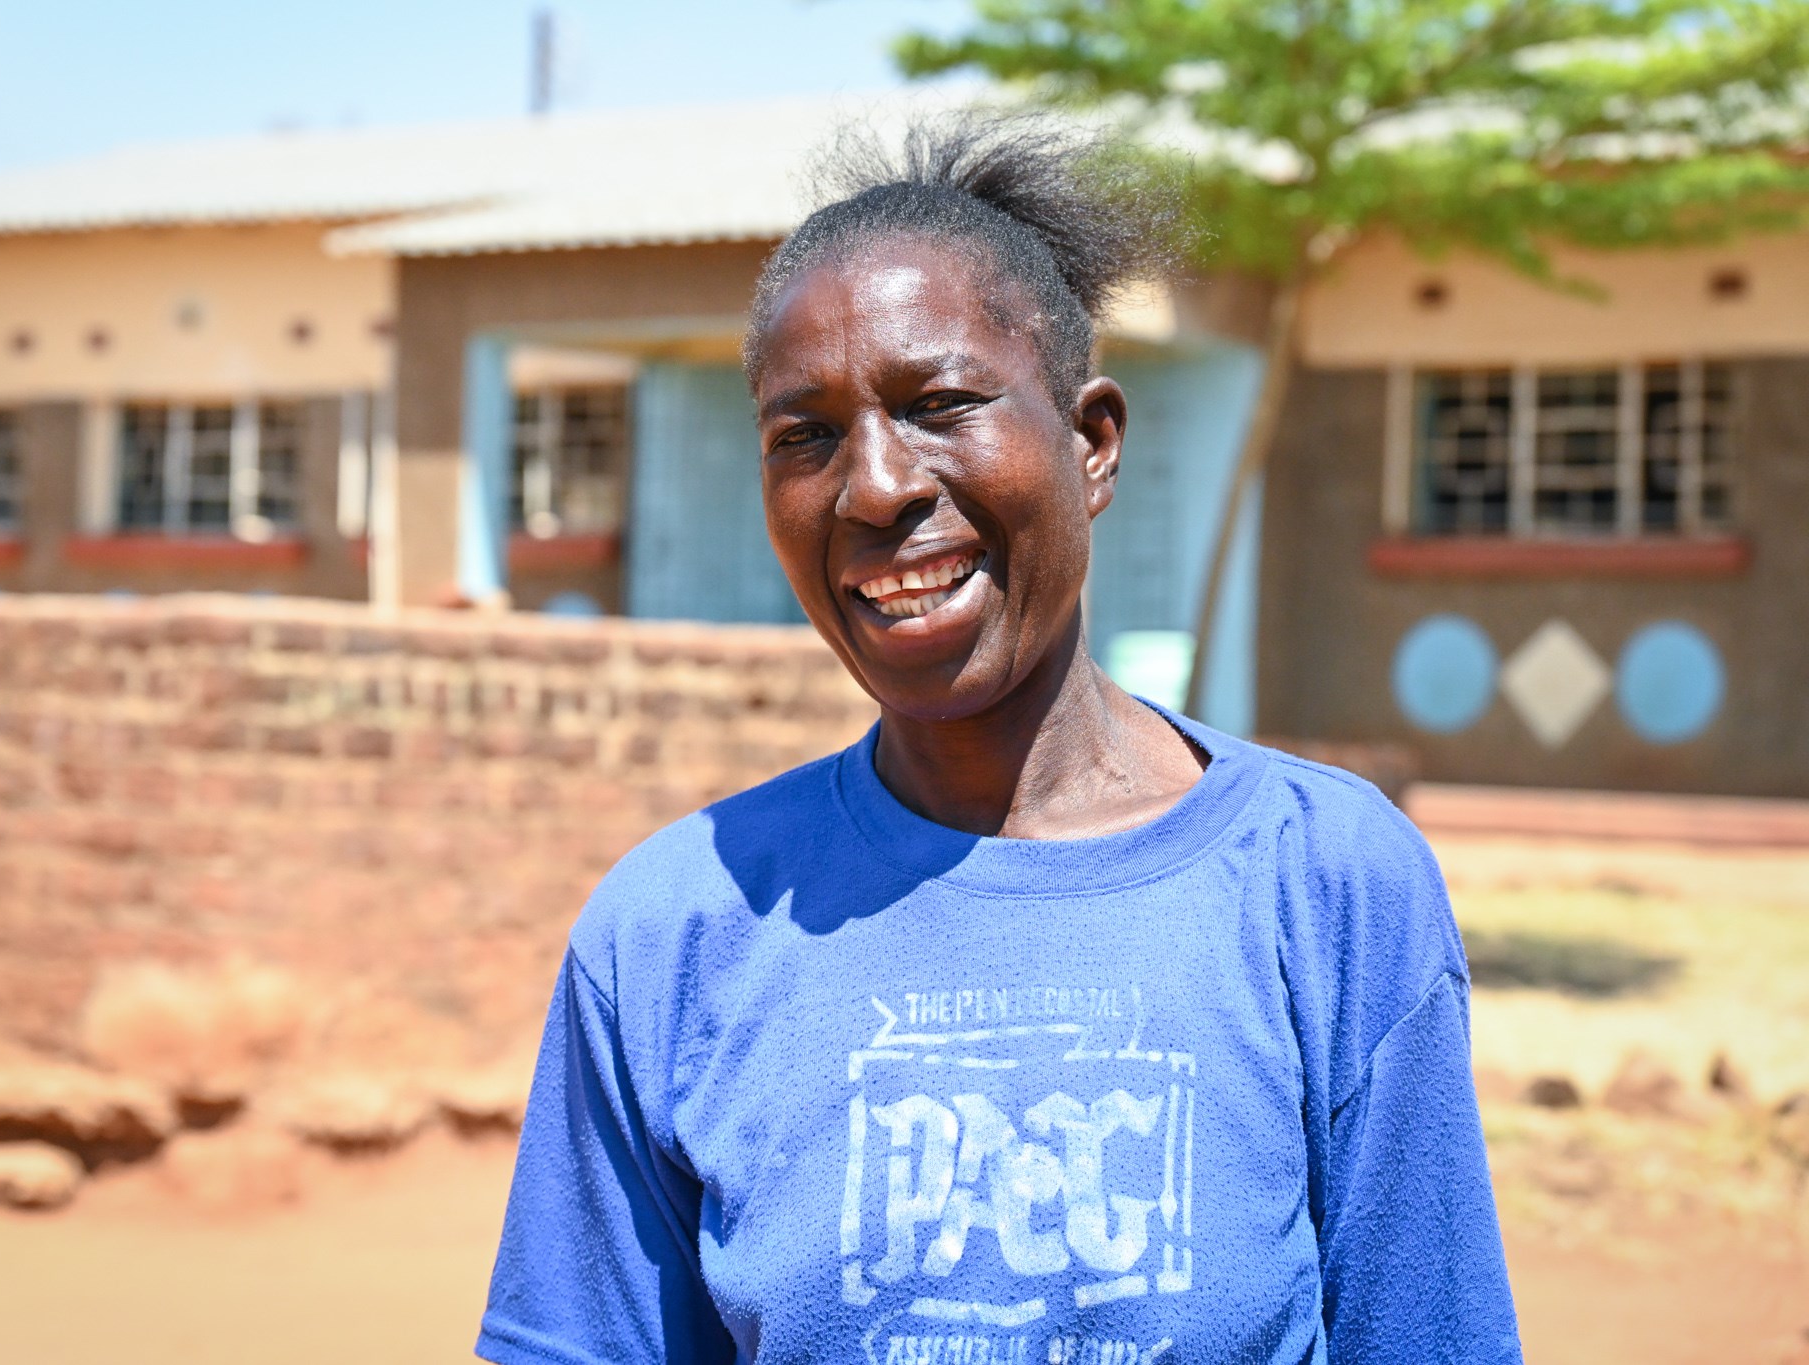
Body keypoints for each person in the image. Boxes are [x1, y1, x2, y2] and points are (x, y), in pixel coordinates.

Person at [476, 117, 1521, 1365]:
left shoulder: (1328, 887)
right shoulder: (671, 934)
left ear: (1090, 446)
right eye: (801, 436)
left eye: (940, 405)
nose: (872, 487)